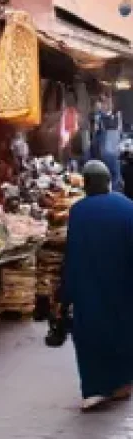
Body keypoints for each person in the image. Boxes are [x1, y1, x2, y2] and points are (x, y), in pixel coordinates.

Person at [59, 161, 133, 411]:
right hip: (122, 285)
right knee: (122, 332)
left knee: (89, 335)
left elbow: (72, 252)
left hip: (88, 286)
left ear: (87, 184)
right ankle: (122, 383)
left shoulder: (78, 211)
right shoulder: (127, 207)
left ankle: (94, 388)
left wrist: (66, 292)